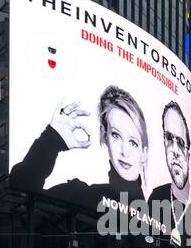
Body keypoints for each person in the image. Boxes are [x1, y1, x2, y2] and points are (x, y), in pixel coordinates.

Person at [10, 86, 150, 213]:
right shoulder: (84, 197)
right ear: (104, 135)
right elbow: (20, 195)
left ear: (144, 153)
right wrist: (51, 140)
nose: (124, 151)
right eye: (116, 135)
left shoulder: (162, 220)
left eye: (133, 142)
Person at [147, 101, 191, 246]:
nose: (174, 151)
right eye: (169, 138)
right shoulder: (155, 197)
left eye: (181, 142)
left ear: (188, 156)